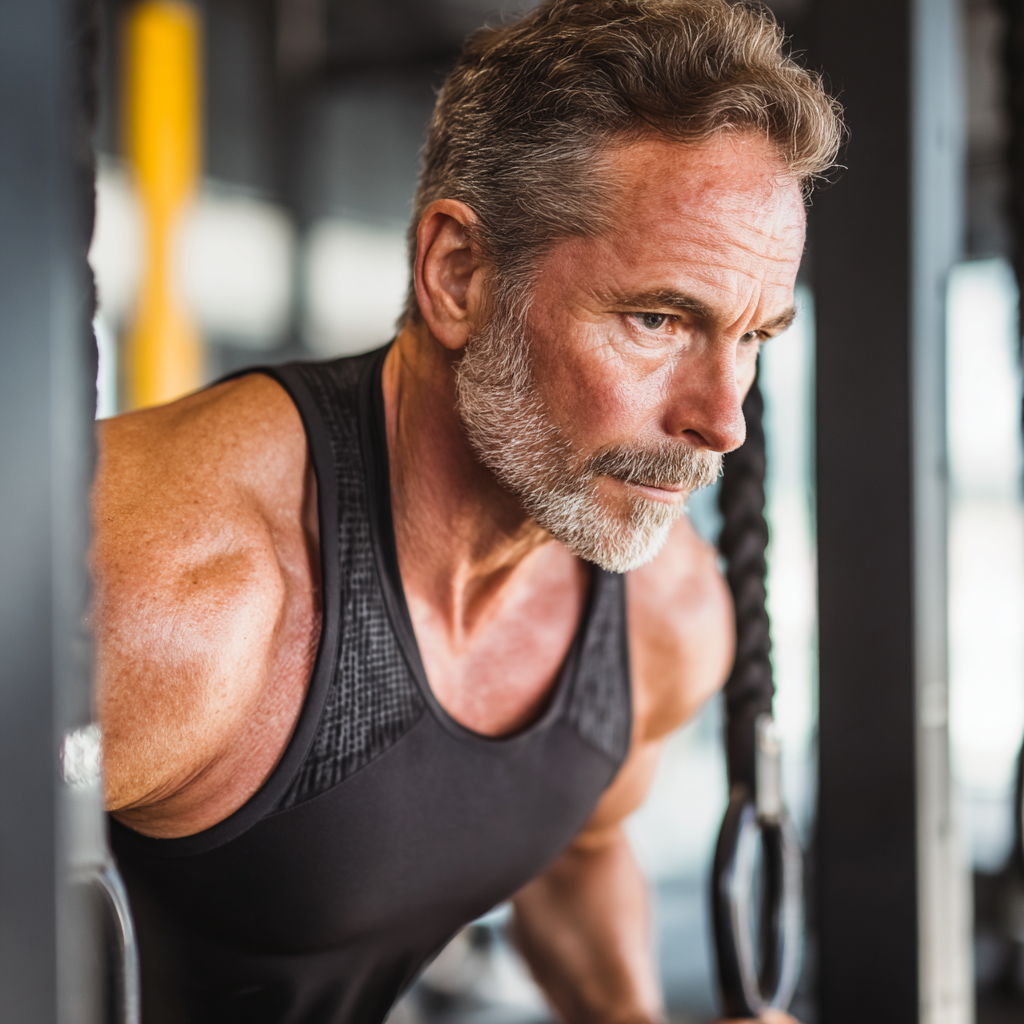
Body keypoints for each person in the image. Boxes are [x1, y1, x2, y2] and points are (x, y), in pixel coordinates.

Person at [91, 1, 843, 1021]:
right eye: (658, 319)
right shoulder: (174, 594)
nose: (724, 421)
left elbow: (575, 841)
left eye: (753, 336)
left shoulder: (663, 619)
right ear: (457, 274)